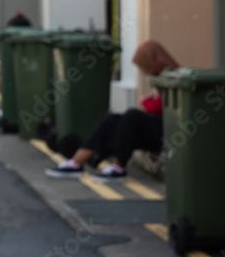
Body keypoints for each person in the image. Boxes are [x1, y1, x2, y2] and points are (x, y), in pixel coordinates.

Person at [45, 39, 180, 182]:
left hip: (169, 134)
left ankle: (117, 168)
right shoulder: (161, 78)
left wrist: (145, 101)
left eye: (143, 66)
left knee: (131, 116)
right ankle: (75, 163)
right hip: (159, 128)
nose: (143, 71)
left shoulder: (172, 77)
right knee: (113, 119)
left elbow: (160, 107)